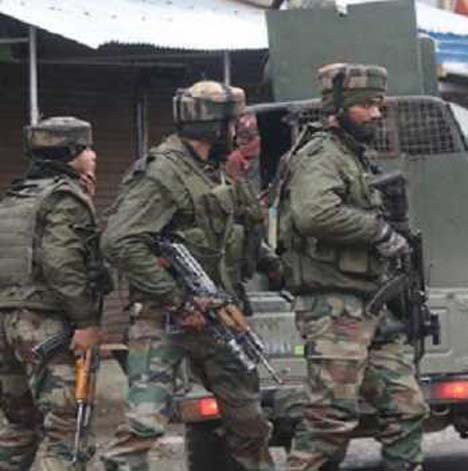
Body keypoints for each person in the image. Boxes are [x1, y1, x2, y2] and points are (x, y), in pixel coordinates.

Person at [100, 81, 274, 471]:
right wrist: (178, 301)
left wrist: (276, 266)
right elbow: (119, 241)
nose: (241, 132)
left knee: (250, 423)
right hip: (163, 318)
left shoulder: (215, 171)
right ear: (214, 126)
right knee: (144, 425)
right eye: (234, 123)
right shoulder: (164, 172)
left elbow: (234, 233)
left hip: (219, 318)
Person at [277, 63, 429, 471]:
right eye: (366, 106)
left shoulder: (353, 157)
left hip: (368, 304)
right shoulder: (321, 155)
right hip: (333, 306)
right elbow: (314, 213)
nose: (376, 114)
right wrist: (378, 232)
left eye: (379, 105)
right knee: (330, 419)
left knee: (406, 406)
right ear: (338, 109)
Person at [0, 116, 108, 471]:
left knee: (18, 427)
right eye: (87, 149)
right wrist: (86, 321)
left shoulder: (16, 197)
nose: (94, 155)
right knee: (67, 430)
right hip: (45, 325)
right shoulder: (64, 198)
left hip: (7, 323)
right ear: (71, 154)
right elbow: (62, 264)